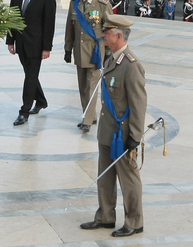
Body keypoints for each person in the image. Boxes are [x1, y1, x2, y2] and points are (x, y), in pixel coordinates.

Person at [80, 14, 147, 237]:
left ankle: (134, 221)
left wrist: (135, 136)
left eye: (107, 33)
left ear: (119, 35)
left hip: (123, 134)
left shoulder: (131, 66)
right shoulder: (112, 59)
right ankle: (106, 216)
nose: (104, 36)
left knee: (128, 180)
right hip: (108, 132)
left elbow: (138, 104)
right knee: (105, 177)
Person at [6, 0, 56, 125]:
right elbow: (12, 18)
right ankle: (41, 100)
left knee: (30, 78)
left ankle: (24, 111)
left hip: (36, 45)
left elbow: (49, 24)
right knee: (31, 75)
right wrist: (10, 40)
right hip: (21, 43)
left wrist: (46, 47)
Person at [64, 0, 113, 132]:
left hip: (95, 53)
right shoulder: (74, 4)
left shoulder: (103, 5)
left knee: (92, 87)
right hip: (79, 52)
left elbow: (109, 31)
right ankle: (90, 116)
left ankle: (86, 119)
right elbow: (69, 30)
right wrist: (67, 49)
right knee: (83, 87)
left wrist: (108, 53)